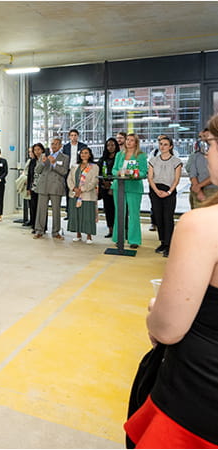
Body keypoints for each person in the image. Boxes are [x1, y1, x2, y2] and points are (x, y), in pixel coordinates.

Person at [125, 114, 218, 449]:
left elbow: (167, 328)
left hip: (198, 395)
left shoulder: (203, 225)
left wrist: (155, 309)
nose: (206, 154)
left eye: (209, 145)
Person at [147, 136, 183, 257]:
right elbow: (150, 178)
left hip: (169, 191)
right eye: (161, 144)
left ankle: (169, 244)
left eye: (165, 144)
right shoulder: (153, 160)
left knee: (168, 218)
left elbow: (177, 179)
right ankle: (162, 242)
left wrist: (168, 192)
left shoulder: (176, 162)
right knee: (158, 217)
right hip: (155, 190)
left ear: (171, 146)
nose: (162, 146)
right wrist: (156, 190)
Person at [113, 133, 149, 249]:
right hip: (119, 186)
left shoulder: (141, 156)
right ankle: (119, 238)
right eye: (127, 139)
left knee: (134, 214)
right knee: (119, 213)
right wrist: (117, 173)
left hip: (134, 187)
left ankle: (134, 240)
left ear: (136, 143)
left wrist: (133, 173)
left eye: (131, 140)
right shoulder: (119, 154)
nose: (128, 142)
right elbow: (113, 170)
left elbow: (144, 172)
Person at [34, 139, 70, 239]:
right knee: (41, 209)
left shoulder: (65, 157)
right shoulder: (44, 156)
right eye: (52, 144)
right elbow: (37, 170)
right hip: (43, 185)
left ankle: (55, 232)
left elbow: (64, 172)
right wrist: (42, 163)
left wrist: (54, 164)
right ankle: (39, 230)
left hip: (56, 186)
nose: (53, 146)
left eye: (56, 144)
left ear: (60, 146)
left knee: (56, 210)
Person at [66, 147, 99, 243]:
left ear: (90, 155)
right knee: (76, 215)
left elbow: (94, 181)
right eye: (82, 153)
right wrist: (74, 189)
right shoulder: (74, 166)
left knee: (87, 216)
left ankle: (89, 236)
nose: (83, 155)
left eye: (86, 153)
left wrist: (82, 189)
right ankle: (78, 234)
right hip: (75, 195)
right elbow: (69, 179)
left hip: (87, 195)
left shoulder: (94, 167)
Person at [186, 130, 216, 210]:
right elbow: (192, 174)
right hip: (197, 192)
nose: (202, 139)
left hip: (213, 191)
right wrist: (198, 190)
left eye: (205, 136)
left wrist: (199, 186)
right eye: (200, 137)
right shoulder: (196, 155)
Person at [99, 137, 121, 238]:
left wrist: (112, 183)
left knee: (117, 209)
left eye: (112, 145)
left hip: (117, 187)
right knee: (108, 209)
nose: (110, 147)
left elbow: (120, 172)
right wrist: (104, 182)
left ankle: (119, 230)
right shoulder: (103, 158)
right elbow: (99, 172)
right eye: (108, 145)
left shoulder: (120, 157)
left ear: (116, 146)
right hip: (105, 186)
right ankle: (111, 230)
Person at [24, 144, 43, 229]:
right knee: (33, 206)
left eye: (38, 149)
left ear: (42, 150)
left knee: (42, 208)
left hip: (43, 187)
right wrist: (28, 188)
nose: (37, 152)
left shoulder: (45, 160)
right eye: (35, 150)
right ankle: (34, 225)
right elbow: (30, 175)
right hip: (33, 187)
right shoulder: (32, 161)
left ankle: (42, 226)